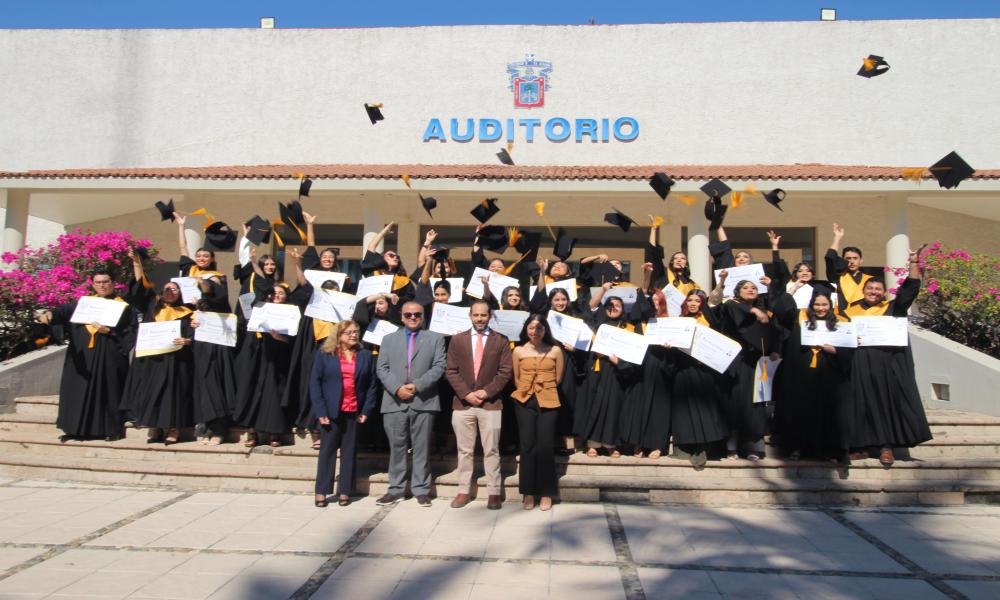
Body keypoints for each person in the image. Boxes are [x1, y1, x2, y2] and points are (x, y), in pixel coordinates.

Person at [841, 249, 931, 466]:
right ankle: (860, 446)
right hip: (858, 364)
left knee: (884, 404)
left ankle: (886, 446)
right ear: (863, 290)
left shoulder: (892, 308)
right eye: (870, 288)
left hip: (884, 366)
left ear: (883, 292)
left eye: (878, 288)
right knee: (859, 405)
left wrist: (913, 262)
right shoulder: (849, 311)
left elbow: (909, 291)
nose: (874, 291)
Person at [37, 271, 135, 441]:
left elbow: (131, 331)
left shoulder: (123, 307)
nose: (102, 285)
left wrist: (110, 332)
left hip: (109, 356)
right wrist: (49, 315)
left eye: (105, 281)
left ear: (113, 283)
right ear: (93, 284)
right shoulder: (84, 304)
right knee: (77, 391)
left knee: (108, 391)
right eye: (98, 282)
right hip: (83, 357)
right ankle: (74, 429)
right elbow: (61, 312)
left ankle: (111, 429)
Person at [375, 301, 447, 507]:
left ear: (423, 316)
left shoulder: (435, 338)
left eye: (417, 314)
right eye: (408, 315)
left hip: (423, 400)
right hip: (394, 400)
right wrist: (398, 388)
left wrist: (416, 386)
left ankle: (421, 489)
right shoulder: (389, 339)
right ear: (401, 317)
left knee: (421, 447)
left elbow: (439, 366)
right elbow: (382, 368)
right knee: (396, 447)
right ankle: (396, 489)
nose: (413, 317)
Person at [771, 288, 854, 464]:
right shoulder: (800, 319)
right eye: (816, 304)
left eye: (824, 304)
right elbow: (780, 312)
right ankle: (797, 447)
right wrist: (790, 291)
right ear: (811, 304)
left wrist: (835, 351)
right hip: (801, 374)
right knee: (800, 411)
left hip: (829, 375)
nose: (820, 308)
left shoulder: (841, 322)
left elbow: (849, 351)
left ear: (830, 305)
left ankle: (825, 449)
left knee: (827, 413)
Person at [444, 301, 514, 509]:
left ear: (490, 316)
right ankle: (463, 490)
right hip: (463, 404)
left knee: (491, 449)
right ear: (470, 316)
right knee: (464, 450)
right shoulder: (458, 340)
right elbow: (451, 371)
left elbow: (505, 372)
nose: (480, 319)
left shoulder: (501, 341)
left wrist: (486, 392)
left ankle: (494, 491)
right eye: (476, 315)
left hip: (490, 404)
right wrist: (466, 394)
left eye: (483, 315)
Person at [120, 256, 195, 445]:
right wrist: (136, 263)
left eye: (175, 289)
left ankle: (173, 428)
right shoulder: (152, 306)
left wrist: (188, 341)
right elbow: (140, 287)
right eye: (167, 288)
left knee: (172, 394)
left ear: (180, 293)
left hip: (175, 361)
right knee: (152, 392)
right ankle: (155, 426)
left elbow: (194, 335)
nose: (170, 291)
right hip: (152, 360)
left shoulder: (188, 312)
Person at [310, 320, 377, 507]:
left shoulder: (364, 355)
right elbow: (315, 383)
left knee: (349, 452)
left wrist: (366, 410)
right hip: (331, 411)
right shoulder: (325, 354)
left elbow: (372, 385)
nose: (353, 335)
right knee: (327, 451)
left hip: (354, 410)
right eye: (349, 332)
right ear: (338, 335)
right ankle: (322, 491)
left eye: (356, 332)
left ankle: (345, 491)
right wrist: (320, 410)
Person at [718, 278, 781, 460]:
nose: (750, 290)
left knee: (755, 406)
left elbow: (774, 331)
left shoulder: (766, 310)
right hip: (737, 363)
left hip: (757, 364)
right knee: (736, 404)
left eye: (754, 287)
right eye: (745, 287)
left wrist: (775, 349)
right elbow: (731, 307)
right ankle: (731, 448)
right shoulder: (731, 306)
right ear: (738, 292)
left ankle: (753, 448)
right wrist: (751, 310)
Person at [232, 282, 297, 447]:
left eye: (281, 293)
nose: (277, 295)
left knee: (274, 394)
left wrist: (279, 338)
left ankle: (274, 433)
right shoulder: (260, 308)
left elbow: (294, 339)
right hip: (258, 355)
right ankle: (252, 432)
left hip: (279, 356)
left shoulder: (291, 311)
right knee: (253, 391)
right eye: (274, 292)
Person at [669, 289, 729, 467]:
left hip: (705, 372)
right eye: (690, 300)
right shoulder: (678, 322)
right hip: (683, 370)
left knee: (704, 410)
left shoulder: (710, 321)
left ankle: (702, 449)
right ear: (685, 303)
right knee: (684, 411)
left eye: (697, 300)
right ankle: (684, 448)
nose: (693, 303)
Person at [511, 314, 565, 510]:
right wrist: (528, 389)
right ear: (526, 329)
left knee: (545, 445)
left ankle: (546, 492)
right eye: (532, 328)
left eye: (539, 328)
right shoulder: (518, 351)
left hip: (549, 400)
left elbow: (558, 378)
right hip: (524, 400)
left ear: (545, 330)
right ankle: (528, 491)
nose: (535, 332)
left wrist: (543, 388)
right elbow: (516, 378)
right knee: (527, 446)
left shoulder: (555, 350)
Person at [578, 293, 638, 457]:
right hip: (597, 369)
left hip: (616, 371)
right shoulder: (597, 325)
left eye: (618, 305)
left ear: (623, 309)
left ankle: (611, 444)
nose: (613, 308)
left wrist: (618, 361)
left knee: (613, 408)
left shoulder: (629, 329)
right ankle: (592, 444)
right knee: (593, 405)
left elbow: (633, 354)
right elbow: (589, 309)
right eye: (610, 306)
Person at [826, 223, 872, 308]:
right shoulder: (837, 277)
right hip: (841, 317)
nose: (851, 261)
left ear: (861, 260)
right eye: (848, 258)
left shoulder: (870, 280)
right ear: (843, 260)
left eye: (855, 258)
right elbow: (830, 257)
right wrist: (837, 238)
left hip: (863, 316)